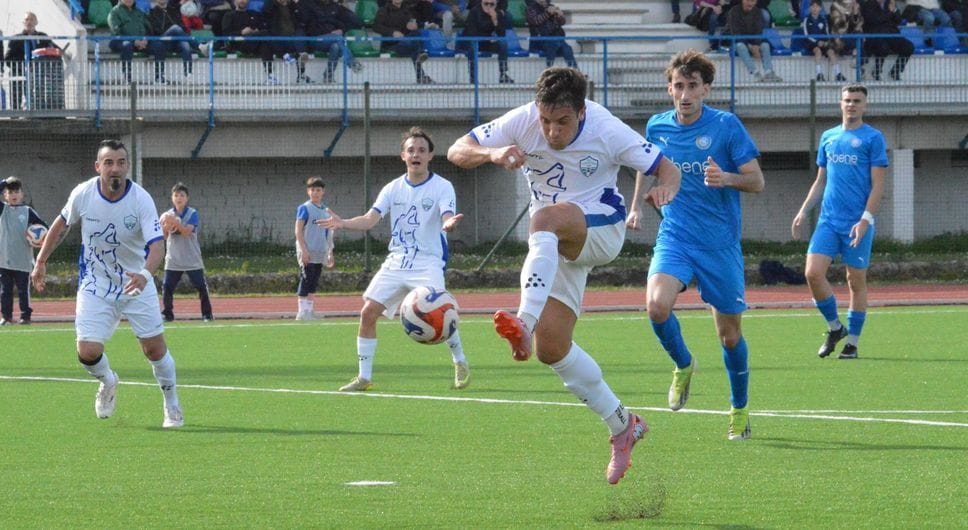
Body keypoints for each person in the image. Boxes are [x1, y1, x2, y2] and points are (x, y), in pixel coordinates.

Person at [447, 67, 680, 484]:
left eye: (563, 122)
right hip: (554, 242)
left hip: (601, 228)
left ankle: (524, 321)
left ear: (582, 112)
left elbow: (668, 169)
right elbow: (457, 150)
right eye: (545, 121)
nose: (552, 132)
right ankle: (623, 425)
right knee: (552, 349)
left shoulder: (607, 129)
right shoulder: (522, 120)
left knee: (544, 218)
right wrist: (492, 154)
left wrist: (665, 190)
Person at [627, 50, 764, 441]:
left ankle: (739, 409)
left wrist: (727, 179)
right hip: (676, 236)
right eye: (678, 86)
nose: (685, 94)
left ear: (706, 89)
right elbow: (647, 167)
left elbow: (757, 181)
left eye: (692, 86)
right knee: (656, 307)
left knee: (730, 337)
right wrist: (636, 205)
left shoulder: (726, 126)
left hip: (719, 244)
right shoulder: (657, 126)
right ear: (669, 89)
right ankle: (684, 364)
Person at [30, 139, 184, 429]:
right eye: (109, 162)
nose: (115, 168)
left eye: (121, 162)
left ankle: (172, 404)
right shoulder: (83, 193)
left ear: (127, 167)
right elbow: (61, 225)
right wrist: (41, 261)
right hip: (95, 285)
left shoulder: (140, 199)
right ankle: (108, 380)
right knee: (87, 351)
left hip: (136, 284)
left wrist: (145, 275)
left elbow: (157, 246)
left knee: (154, 350)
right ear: (98, 166)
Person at [320, 127, 470, 391]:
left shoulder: (442, 186)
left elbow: (447, 214)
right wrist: (342, 223)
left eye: (421, 150)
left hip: (428, 262)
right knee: (368, 313)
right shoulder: (393, 188)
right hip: (397, 261)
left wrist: (448, 224)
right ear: (403, 155)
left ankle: (460, 362)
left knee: (440, 313)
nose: (416, 154)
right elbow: (370, 219)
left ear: (430, 156)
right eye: (411, 150)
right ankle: (364, 377)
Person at [791, 84, 886, 360]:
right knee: (812, 273)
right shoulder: (828, 136)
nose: (851, 104)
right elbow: (821, 180)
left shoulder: (873, 138)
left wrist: (865, 220)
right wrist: (803, 211)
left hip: (857, 223)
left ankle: (852, 343)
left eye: (857, 100)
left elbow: (878, 186)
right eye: (847, 100)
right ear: (840, 103)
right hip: (828, 222)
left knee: (855, 280)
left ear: (865, 105)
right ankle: (835, 327)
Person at [160, 182, 214, 322]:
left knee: (201, 287)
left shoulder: (192, 213)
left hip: (191, 258)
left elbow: (186, 232)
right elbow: (164, 236)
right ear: (172, 198)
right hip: (174, 258)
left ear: (187, 198)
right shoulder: (168, 215)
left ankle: (207, 314)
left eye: (182, 195)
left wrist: (175, 222)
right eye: (176, 195)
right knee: (167, 286)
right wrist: (164, 226)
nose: (179, 198)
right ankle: (167, 314)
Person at [0, 177, 47, 325]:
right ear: (5, 195)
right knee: (5, 291)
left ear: (22, 194)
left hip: (23, 260)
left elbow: (44, 228)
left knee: (23, 291)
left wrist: (38, 237)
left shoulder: (28, 211)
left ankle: (25, 317)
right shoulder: (3, 210)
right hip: (4, 259)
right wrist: (4, 182)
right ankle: (6, 317)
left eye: (16, 191)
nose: (13, 195)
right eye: (10, 192)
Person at [294, 177, 335, 320]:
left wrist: (330, 252)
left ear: (323, 192)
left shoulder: (326, 211)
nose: (315, 193)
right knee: (306, 279)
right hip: (307, 250)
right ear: (308, 191)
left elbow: (329, 233)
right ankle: (301, 312)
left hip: (320, 251)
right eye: (312, 190)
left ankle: (310, 311)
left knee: (314, 281)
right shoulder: (304, 208)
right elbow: (298, 231)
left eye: (318, 190)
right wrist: (303, 250)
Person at [3, 12, 56, 110]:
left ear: (36, 22)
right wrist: (23, 66)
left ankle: (37, 111)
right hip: (19, 72)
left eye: (31, 19)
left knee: (37, 94)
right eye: (26, 19)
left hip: (37, 73)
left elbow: (52, 49)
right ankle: (15, 113)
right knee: (16, 94)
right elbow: (8, 58)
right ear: (23, 22)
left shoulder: (43, 37)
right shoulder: (15, 39)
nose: (29, 22)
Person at [372, 0, 434, 84]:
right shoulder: (384, 10)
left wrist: (413, 25)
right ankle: (421, 74)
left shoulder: (406, 11)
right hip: (391, 44)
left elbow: (412, 23)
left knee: (415, 34)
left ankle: (420, 67)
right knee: (413, 47)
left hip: (406, 42)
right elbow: (376, 26)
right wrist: (392, 32)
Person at [222, 0, 278, 84]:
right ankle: (283, 54)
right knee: (264, 35)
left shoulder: (254, 14)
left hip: (255, 43)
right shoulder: (229, 15)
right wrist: (241, 32)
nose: (242, 1)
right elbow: (226, 34)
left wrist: (255, 32)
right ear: (234, 2)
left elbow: (262, 27)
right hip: (239, 44)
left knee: (265, 43)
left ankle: (270, 75)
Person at [459, 0, 515, 84]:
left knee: (503, 43)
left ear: (495, 4)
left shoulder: (498, 13)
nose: (488, 6)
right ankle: (473, 77)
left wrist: (495, 21)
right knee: (472, 46)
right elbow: (472, 32)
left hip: (486, 42)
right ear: (482, 3)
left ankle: (503, 74)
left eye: (491, 4)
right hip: (473, 41)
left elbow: (502, 34)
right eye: (486, 3)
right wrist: (487, 36)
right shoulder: (474, 12)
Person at [726, 0, 783, 82]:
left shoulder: (757, 11)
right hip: (738, 41)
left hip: (753, 41)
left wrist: (756, 45)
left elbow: (759, 31)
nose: (750, 3)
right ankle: (754, 73)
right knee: (740, 46)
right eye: (748, 1)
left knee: (765, 45)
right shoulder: (733, 12)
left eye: (753, 1)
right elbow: (735, 33)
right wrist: (751, 47)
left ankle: (769, 72)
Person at [860, 0, 913, 81]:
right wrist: (890, 13)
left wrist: (895, 10)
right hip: (875, 35)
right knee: (883, 47)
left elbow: (898, 21)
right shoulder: (868, 5)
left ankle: (895, 71)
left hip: (891, 34)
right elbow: (876, 20)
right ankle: (877, 71)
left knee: (908, 47)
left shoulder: (890, 4)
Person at [147, 0, 195, 82]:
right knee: (175, 28)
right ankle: (199, 46)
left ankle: (188, 74)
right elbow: (153, 30)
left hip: (174, 42)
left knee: (185, 44)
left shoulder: (174, 11)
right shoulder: (151, 13)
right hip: (160, 39)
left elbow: (182, 27)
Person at [525, 0, 578, 69]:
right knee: (553, 44)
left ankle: (574, 70)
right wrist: (547, 13)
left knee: (567, 49)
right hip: (540, 39)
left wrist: (560, 16)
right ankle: (549, 69)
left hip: (556, 38)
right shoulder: (531, 9)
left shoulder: (551, 7)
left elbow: (561, 23)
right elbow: (535, 21)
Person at [803, 0, 846, 81]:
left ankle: (838, 74)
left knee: (831, 51)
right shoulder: (806, 20)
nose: (815, 8)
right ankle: (819, 74)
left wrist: (826, 42)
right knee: (818, 51)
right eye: (813, 6)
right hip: (812, 43)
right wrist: (817, 42)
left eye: (817, 6)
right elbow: (806, 35)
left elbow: (827, 34)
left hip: (823, 43)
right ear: (810, 8)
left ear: (820, 8)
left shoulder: (823, 20)